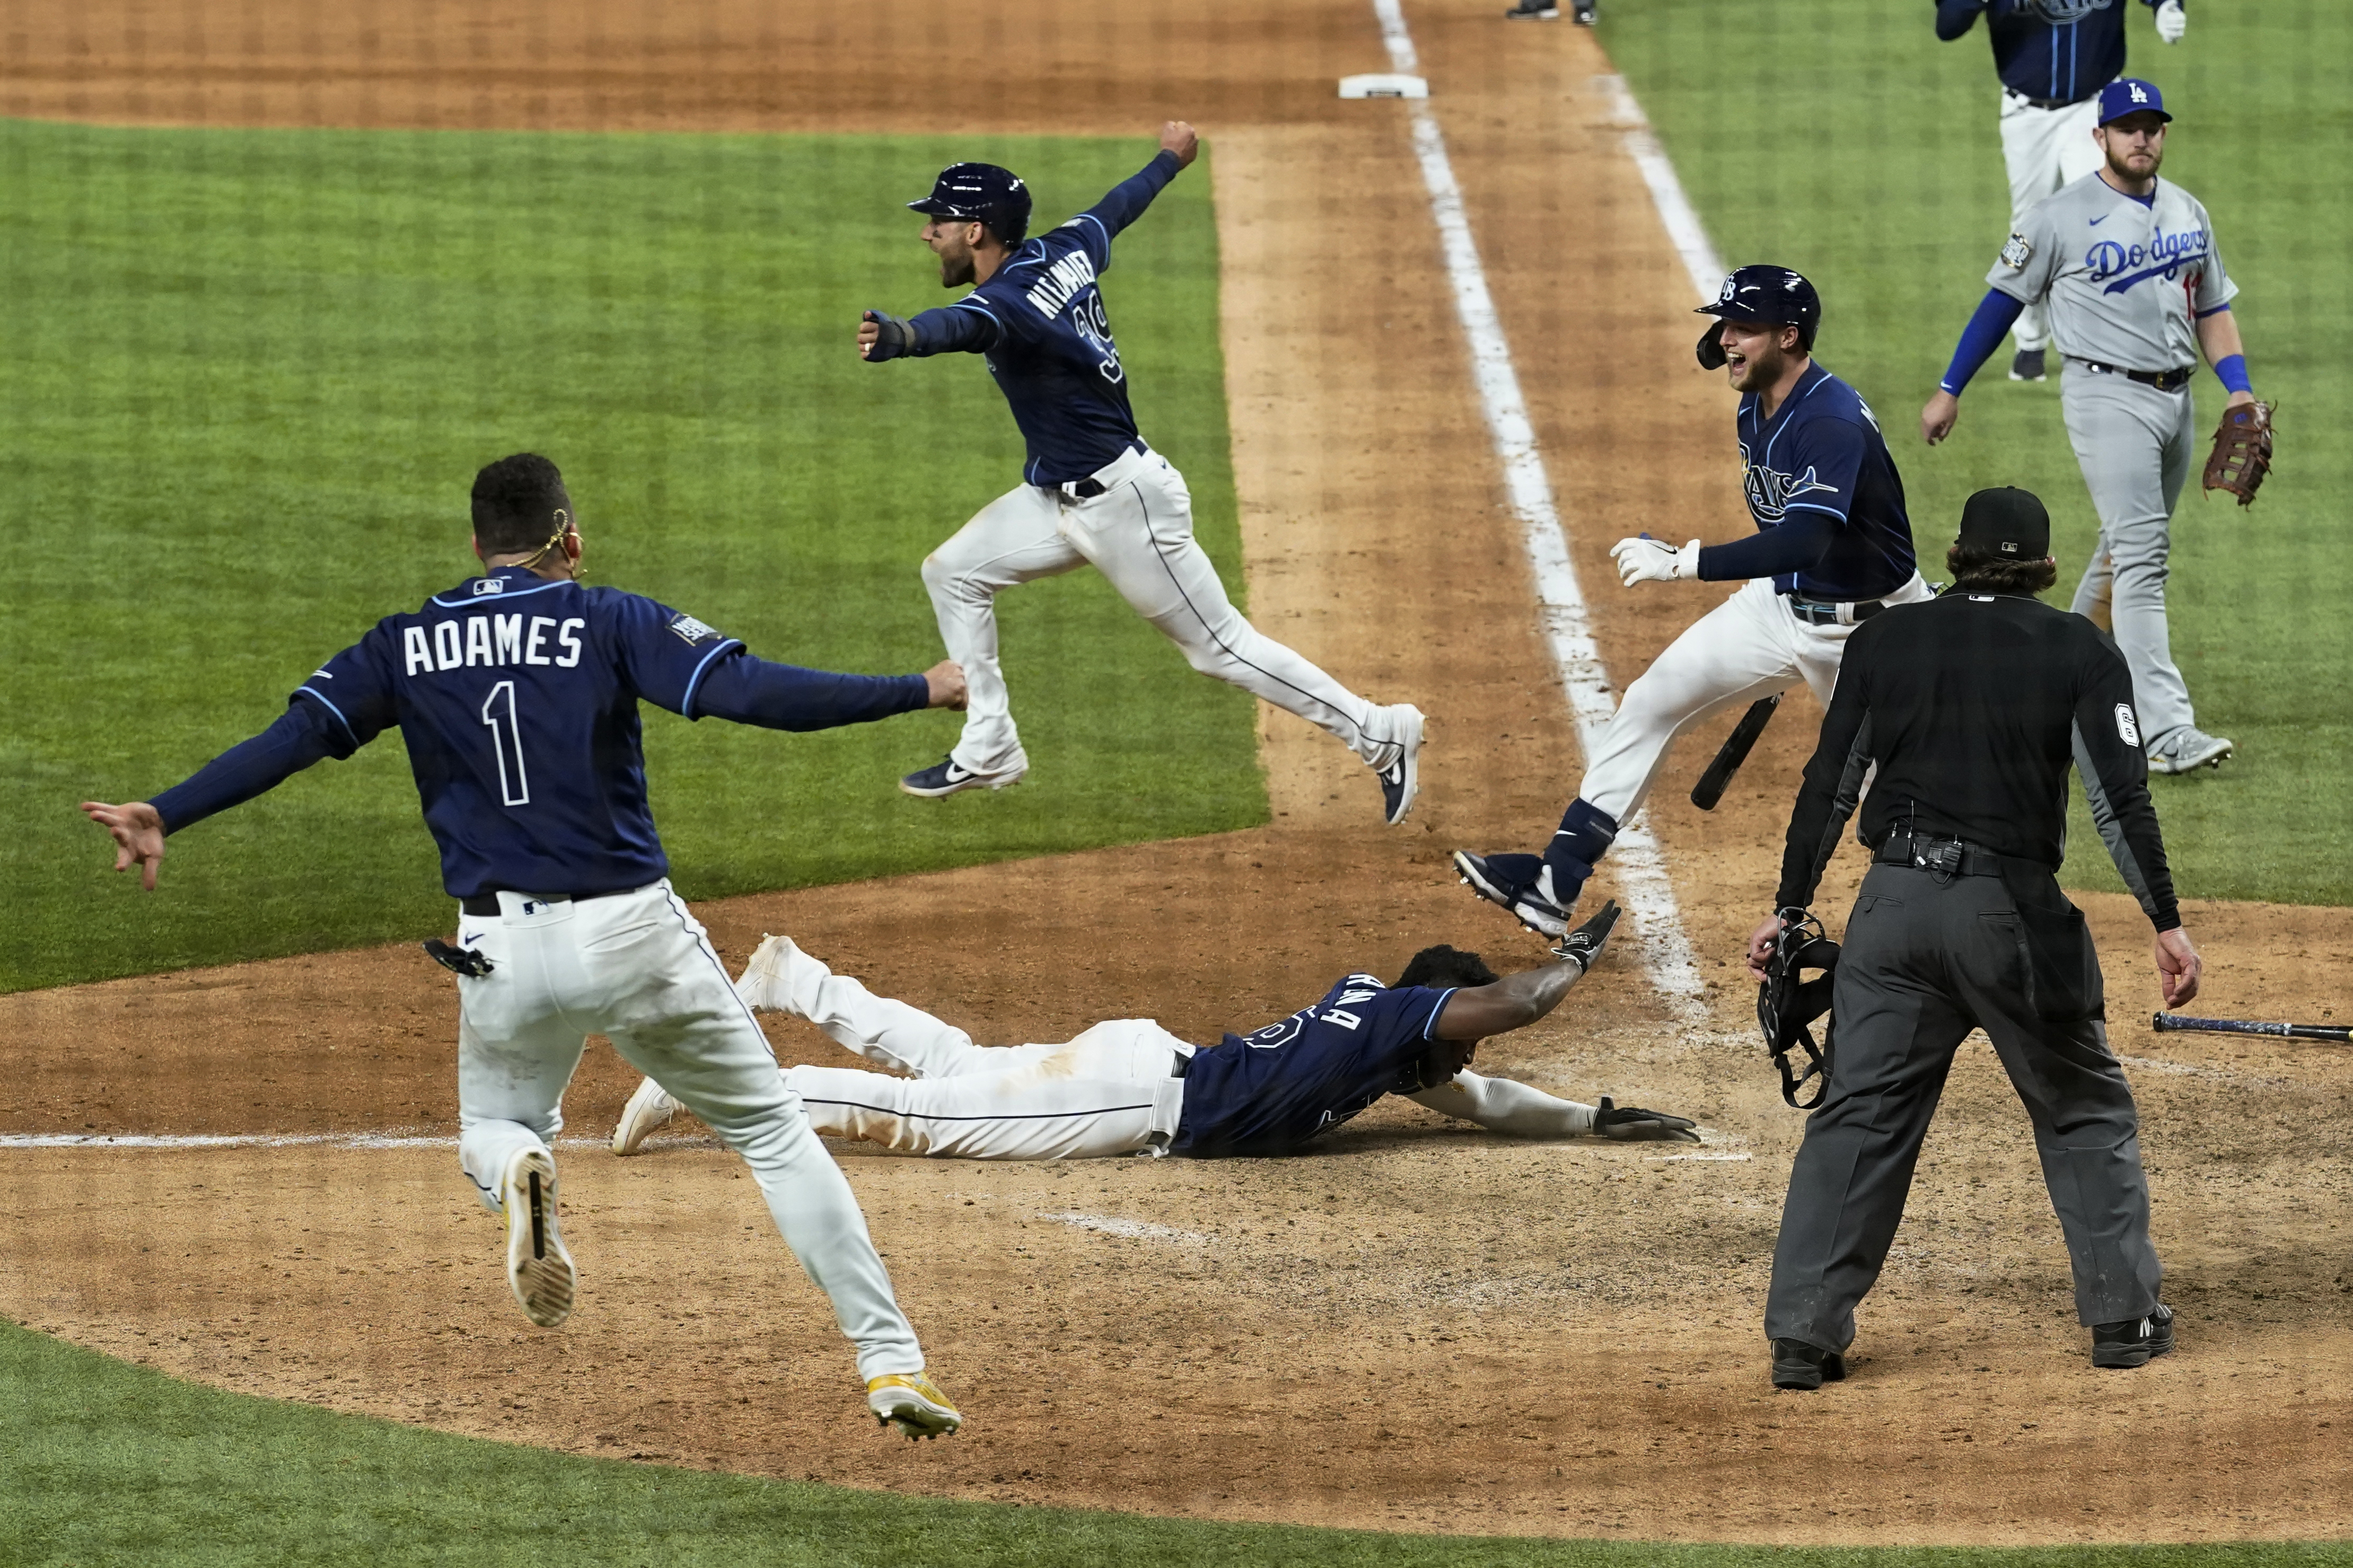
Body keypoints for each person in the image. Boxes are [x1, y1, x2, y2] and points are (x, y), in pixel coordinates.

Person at [80, 454, 969, 1439]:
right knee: (769, 1134)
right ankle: (892, 1363)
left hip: (496, 948)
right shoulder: (607, 616)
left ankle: (517, 1172)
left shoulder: (405, 641)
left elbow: (295, 737)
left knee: (494, 1126)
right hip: (633, 935)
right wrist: (918, 688)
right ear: (570, 538)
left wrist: (168, 810)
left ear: (474, 544)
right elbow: (751, 693)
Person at [1746, 486, 2199, 1391]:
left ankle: (1802, 1334)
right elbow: (2119, 800)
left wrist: (1789, 904)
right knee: (2081, 1105)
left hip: (1893, 911)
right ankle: (2120, 1315)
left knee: (1857, 1117)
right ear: (2040, 566)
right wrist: (2164, 920)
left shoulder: (1885, 639)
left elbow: (1828, 783)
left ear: (1954, 556)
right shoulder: (2078, 648)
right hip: (2008, 916)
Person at [857, 122, 1426, 822]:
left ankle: (1379, 732)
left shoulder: (1003, 304)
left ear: (976, 232)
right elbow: (1115, 207)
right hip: (1056, 497)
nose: (928, 235)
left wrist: (903, 337)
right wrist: (1169, 158)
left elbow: (958, 327)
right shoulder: (1063, 248)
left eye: (938, 222)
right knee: (952, 571)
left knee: (1221, 648)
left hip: (1126, 505)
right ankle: (989, 745)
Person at [1454, 266, 1928, 938]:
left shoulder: (1828, 420)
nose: (1725, 340)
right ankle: (1553, 882)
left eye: (1742, 328)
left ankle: (1951, 922)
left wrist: (1687, 562)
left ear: (1789, 336)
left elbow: (1805, 541)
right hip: (1782, 606)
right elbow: (1790, 550)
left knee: (1903, 796)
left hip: (1871, 634)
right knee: (1653, 700)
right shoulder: (1754, 401)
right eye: (1723, 325)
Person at [608, 904, 1701, 1161]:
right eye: (1458, 1040)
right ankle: (711, 1081)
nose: (1465, 1059)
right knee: (929, 1121)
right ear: (1438, 1012)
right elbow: (1508, 1008)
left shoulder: (1385, 1039)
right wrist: (1575, 962)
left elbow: (1483, 1102)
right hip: (1142, 1099)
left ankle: (797, 978)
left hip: (1144, 1059)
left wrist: (1591, 1120)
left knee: (962, 1067)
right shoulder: (1404, 1018)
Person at [1922, 78, 2252, 776]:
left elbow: (2212, 309)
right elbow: (1999, 303)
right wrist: (1949, 388)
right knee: (2141, 558)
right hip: (2105, 399)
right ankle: (2165, 733)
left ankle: (2045, 683)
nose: (2141, 138)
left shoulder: (2187, 212)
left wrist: (2239, 390)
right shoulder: (2057, 217)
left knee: (2119, 551)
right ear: (2098, 136)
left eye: (2151, 127)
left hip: (2177, 400)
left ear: (2162, 134)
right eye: (2126, 128)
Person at [1933, 0, 2188, 383]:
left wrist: (2168, 5)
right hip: (2025, 116)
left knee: (2109, 216)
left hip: (2096, 108)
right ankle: (2031, 341)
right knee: (2028, 230)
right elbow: (1948, 25)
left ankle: (2116, 342)